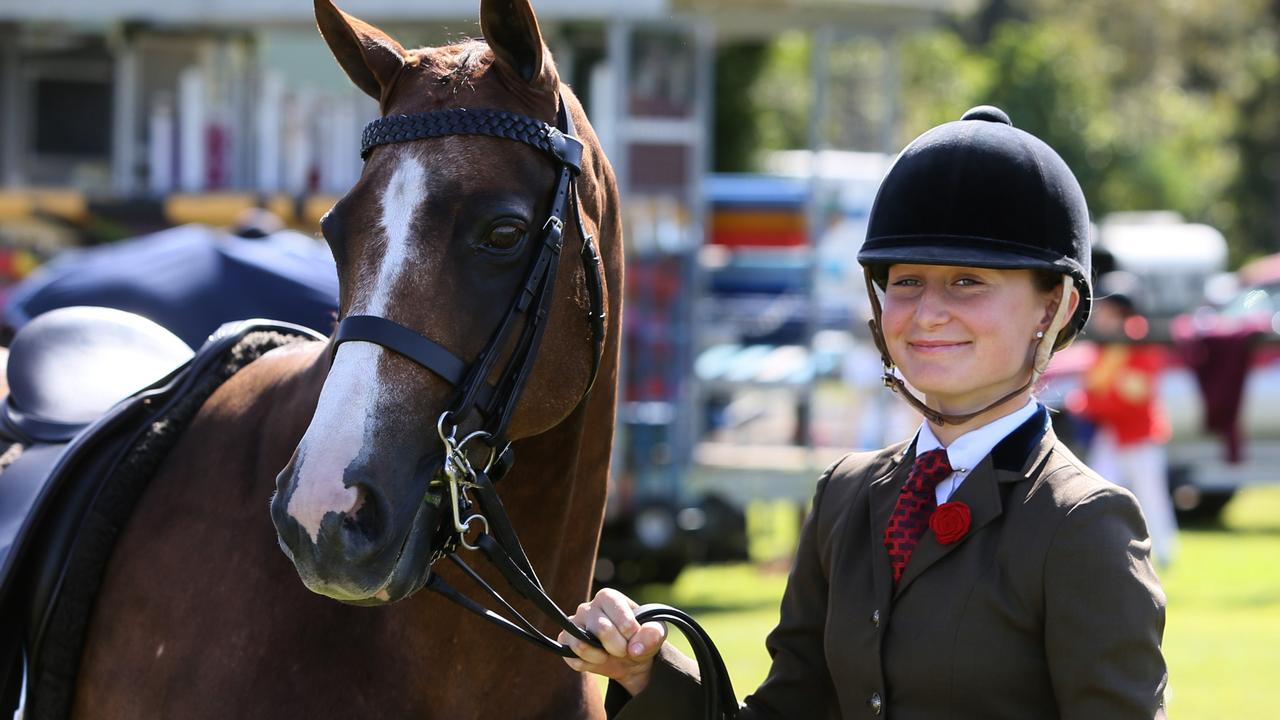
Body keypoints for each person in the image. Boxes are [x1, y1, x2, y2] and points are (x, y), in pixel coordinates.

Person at [560, 106, 1169, 719]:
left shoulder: (1084, 523)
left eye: (967, 281)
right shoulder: (846, 497)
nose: (927, 312)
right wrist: (647, 668)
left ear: (1054, 307)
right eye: (905, 280)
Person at [1075, 277, 1179, 567]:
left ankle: (1166, 555)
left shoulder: (1139, 340)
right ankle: (1096, 549)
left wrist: (1094, 403)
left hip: (1139, 434)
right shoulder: (1105, 345)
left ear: (1121, 312)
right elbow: (1094, 391)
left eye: (1107, 310)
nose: (1100, 317)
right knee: (1094, 491)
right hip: (1110, 434)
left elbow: (1134, 394)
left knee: (1152, 497)